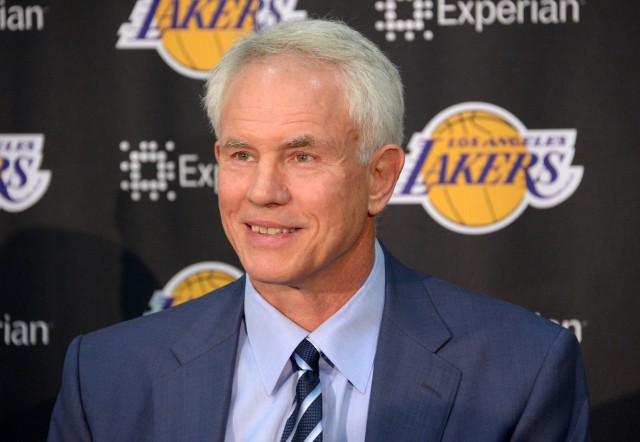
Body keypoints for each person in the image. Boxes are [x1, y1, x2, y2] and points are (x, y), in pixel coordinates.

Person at [48, 19, 589, 441]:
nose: (262, 191)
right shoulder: (106, 377)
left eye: (302, 156)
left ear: (379, 178)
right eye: (241, 155)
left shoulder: (521, 373)